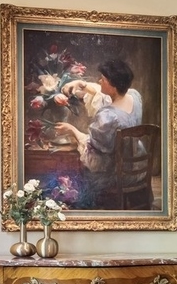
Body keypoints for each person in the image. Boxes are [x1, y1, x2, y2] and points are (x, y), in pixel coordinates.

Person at [59, 58, 145, 205]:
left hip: (117, 175)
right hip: (138, 168)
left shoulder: (108, 116)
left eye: (103, 79)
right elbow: (103, 94)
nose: (99, 81)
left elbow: (93, 147)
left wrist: (71, 129)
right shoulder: (134, 96)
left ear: (113, 85)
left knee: (77, 174)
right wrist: (83, 85)